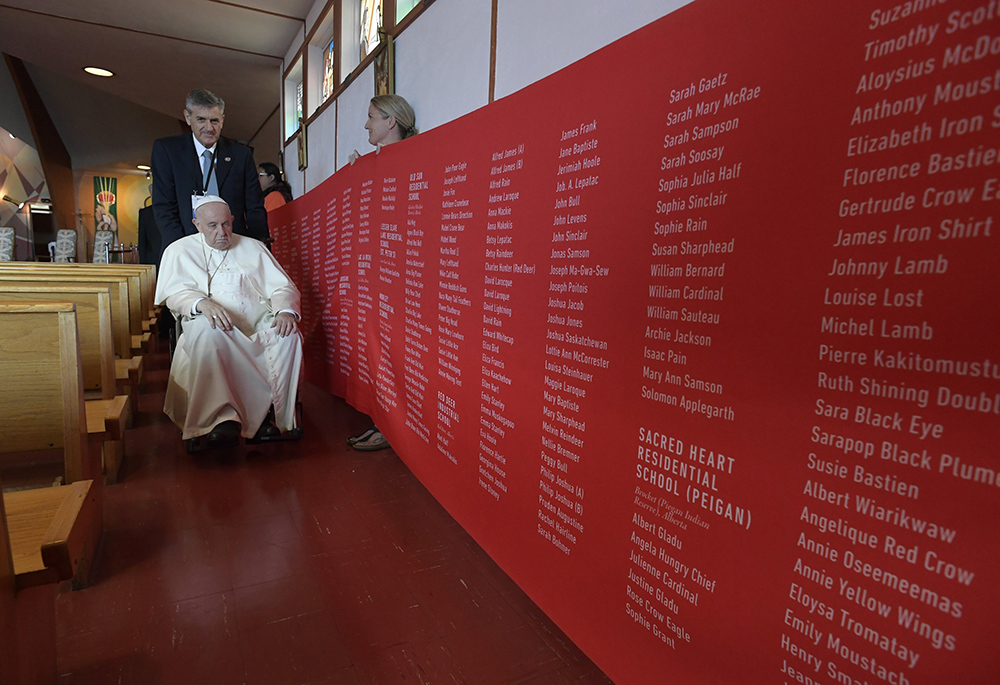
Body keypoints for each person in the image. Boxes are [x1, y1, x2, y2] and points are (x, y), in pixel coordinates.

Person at [155, 195, 303, 448]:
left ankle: (272, 416)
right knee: (207, 331)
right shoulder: (179, 250)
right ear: (197, 224)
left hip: (257, 326)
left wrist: (285, 311)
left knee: (288, 335)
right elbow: (175, 294)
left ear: (233, 220)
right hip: (214, 325)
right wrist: (201, 303)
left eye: (226, 224)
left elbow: (281, 287)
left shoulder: (253, 248)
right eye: (212, 226)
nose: (222, 232)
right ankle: (221, 420)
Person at [346, 94, 418, 451]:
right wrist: (361, 172)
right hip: (376, 275)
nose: (366, 124)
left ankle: (391, 427)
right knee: (376, 350)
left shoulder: (415, 156)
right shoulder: (373, 163)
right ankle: (381, 420)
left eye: (371, 117)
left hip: (401, 276)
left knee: (396, 351)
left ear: (392, 122)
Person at [151, 88, 269, 261]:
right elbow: (164, 207)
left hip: (234, 248)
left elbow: (254, 207)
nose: (209, 128)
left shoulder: (240, 154)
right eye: (201, 120)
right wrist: (184, 249)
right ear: (187, 117)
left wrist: (259, 246)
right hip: (186, 247)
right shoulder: (167, 151)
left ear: (222, 120)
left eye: (214, 121)